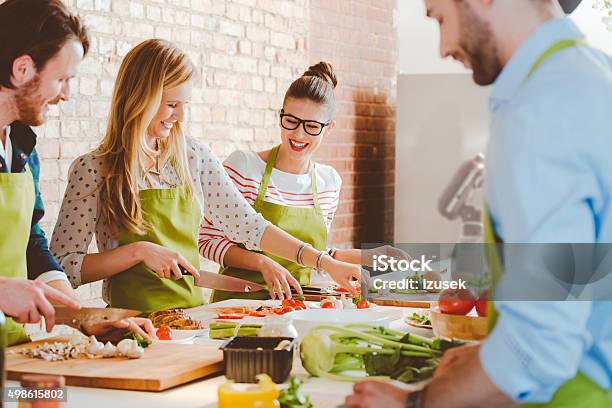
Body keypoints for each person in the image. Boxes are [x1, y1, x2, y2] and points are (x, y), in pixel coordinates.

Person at [345, 0, 612, 407]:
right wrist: (492, 358)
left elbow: (541, 343)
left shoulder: (541, 110)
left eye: (439, 17)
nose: (442, 47)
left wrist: (414, 402)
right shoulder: (591, 76)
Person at [51, 39, 361, 314]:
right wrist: (137, 252)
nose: (181, 117)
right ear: (139, 97)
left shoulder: (193, 158)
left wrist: (325, 263)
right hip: (129, 327)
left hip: (192, 322)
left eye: (184, 105)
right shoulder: (94, 169)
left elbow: (250, 227)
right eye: (172, 104)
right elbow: (63, 265)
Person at [0, 0, 153, 345]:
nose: (67, 95)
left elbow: (29, 244)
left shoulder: (21, 147)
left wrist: (81, 317)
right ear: (22, 69)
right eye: (62, 79)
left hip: (11, 350)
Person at [200, 62, 405, 302]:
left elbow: (314, 255)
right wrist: (262, 263)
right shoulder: (244, 167)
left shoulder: (328, 182)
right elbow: (207, 240)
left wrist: (368, 256)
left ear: (329, 129)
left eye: (312, 126)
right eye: (292, 121)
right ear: (280, 116)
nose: (298, 134)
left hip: (297, 306)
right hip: (238, 307)